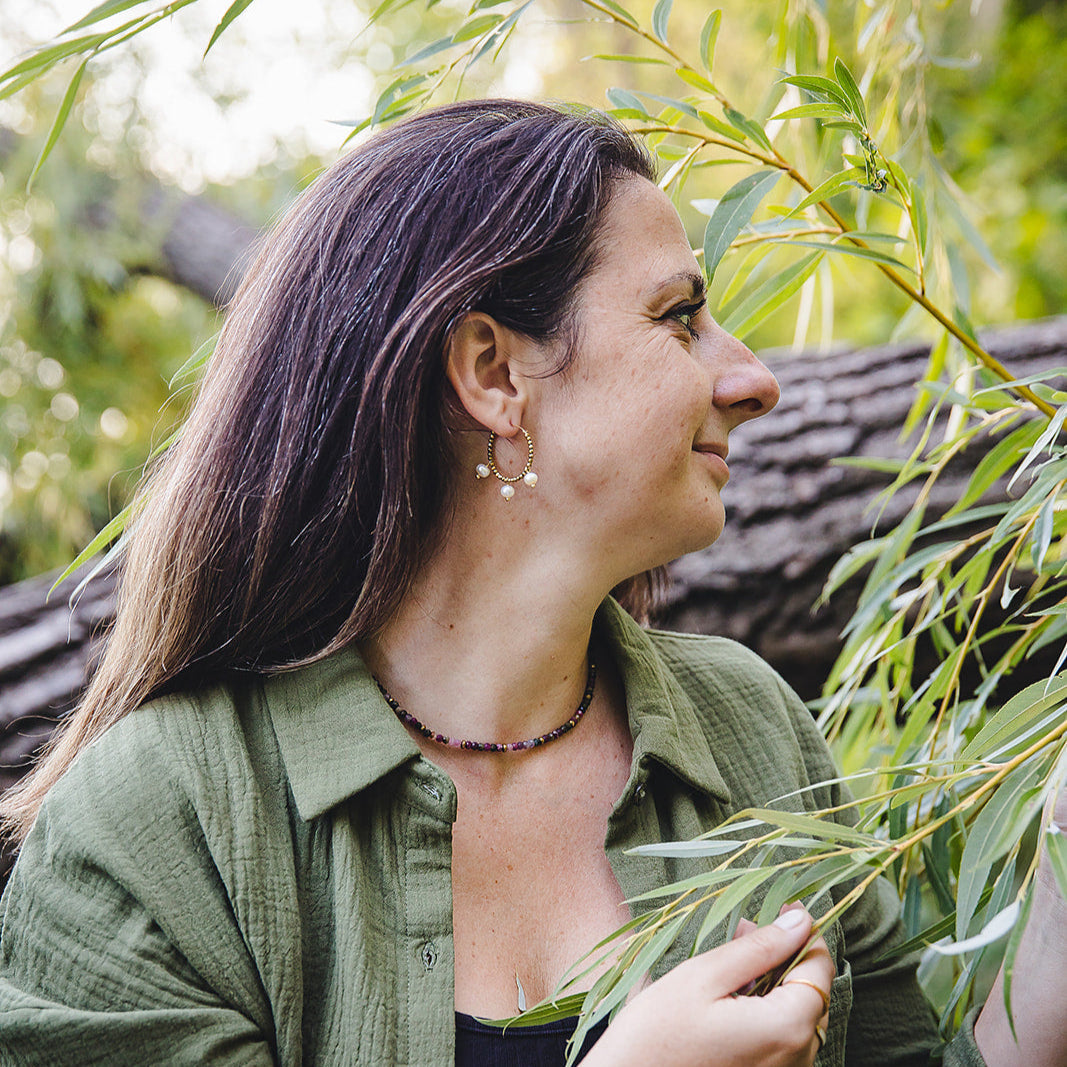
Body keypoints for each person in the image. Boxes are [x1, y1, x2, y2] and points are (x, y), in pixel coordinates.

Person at [0, 99, 1061, 1067]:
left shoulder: (749, 732)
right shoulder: (162, 822)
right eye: (678, 314)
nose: (753, 378)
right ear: (495, 374)